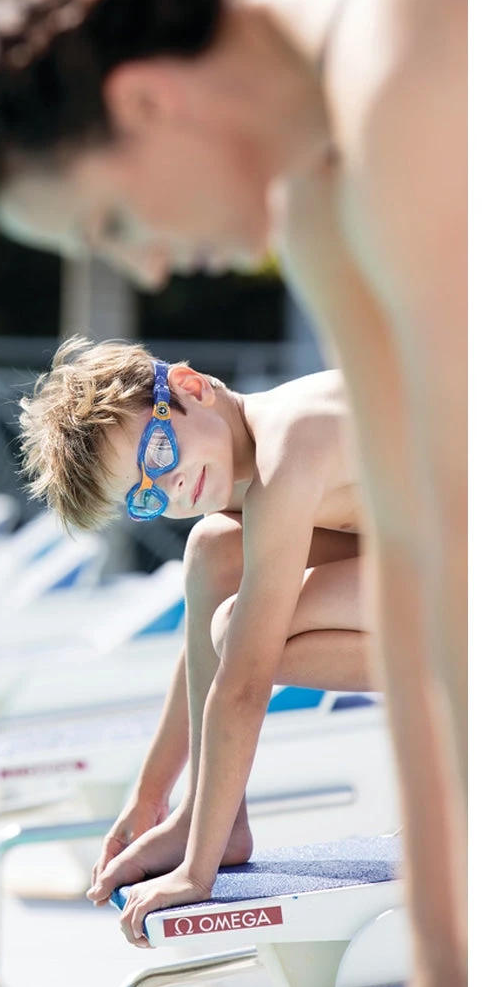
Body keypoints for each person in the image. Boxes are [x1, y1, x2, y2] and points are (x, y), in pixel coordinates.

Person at [0, 0, 467, 985]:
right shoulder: (324, 206)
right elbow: (423, 568)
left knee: (244, 624)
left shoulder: (396, 47)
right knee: (219, 568)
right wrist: (164, 811)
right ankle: (202, 818)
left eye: (112, 222)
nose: (153, 264)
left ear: (143, 102)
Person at [19, 337, 378, 928]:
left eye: (160, 452)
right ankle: (214, 818)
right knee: (214, 548)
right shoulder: (256, 470)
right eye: (145, 495)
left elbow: (243, 684)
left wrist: (196, 873)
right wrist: (150, 798)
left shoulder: (291, 446)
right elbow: (207, 664)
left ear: (189, 387)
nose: (170, 485)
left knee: (239, 629)